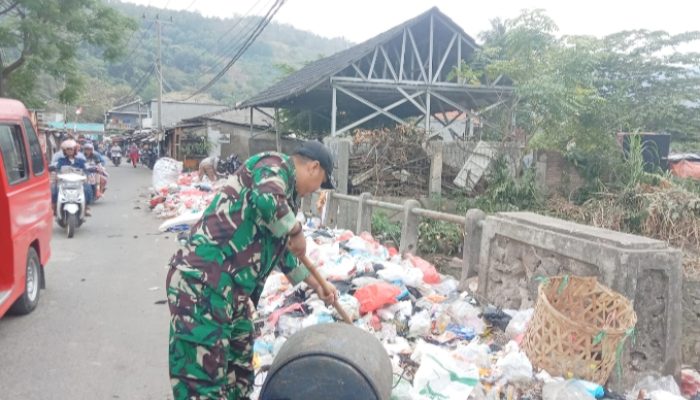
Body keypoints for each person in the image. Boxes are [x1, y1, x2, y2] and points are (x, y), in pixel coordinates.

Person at [167, 142, 337, 399]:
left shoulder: (289, 199)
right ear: (314, 167)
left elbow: (287, 257)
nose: (316, 190)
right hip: (203, 282)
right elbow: (266, 198)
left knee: (239, 372)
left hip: (233, 292)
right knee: (203, 381)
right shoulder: (273, 165)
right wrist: (297, 230)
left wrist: (320, 286)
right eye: (320, 183)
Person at [52, 139, 93, 215]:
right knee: (54, 188)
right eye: (67, 149)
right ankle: (55, 207)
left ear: (75, 150)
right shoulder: (61, 161)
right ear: (65, 151)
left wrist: (87, 175)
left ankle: (86, 207)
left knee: (87, 187)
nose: (69, 151)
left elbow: (86, 170)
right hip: (64, 183)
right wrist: (57, 175)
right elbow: (57, 169)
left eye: (71, 149)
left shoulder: (81, 161)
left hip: (78, 183)